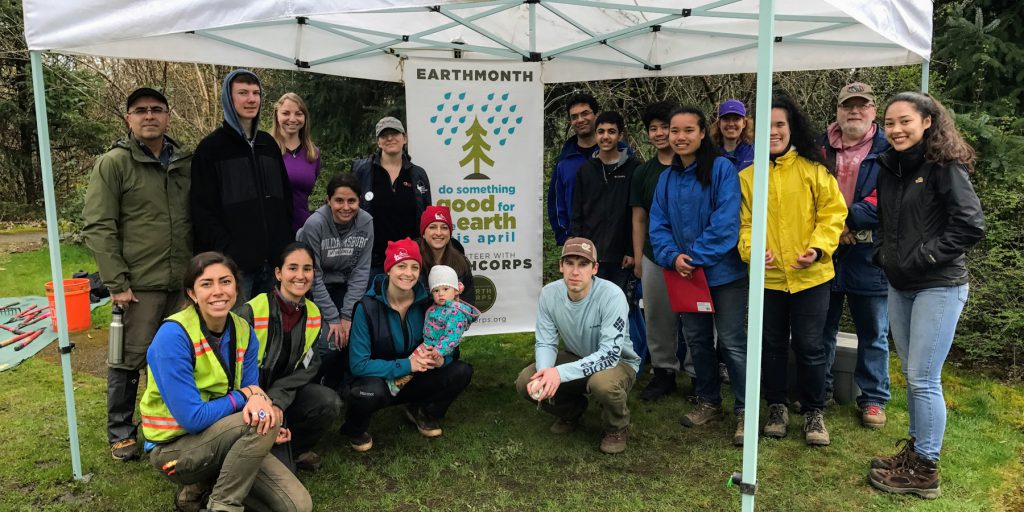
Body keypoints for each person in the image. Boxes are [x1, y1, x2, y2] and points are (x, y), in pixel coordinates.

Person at [867, 92, 985, 499]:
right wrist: (884, 254)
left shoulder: (943, 168)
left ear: (927, 122)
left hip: (940, 284)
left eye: (905, 121)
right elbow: (888, 221)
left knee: (922, 376)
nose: (896, 130)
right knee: (912, 375)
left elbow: (970, 224)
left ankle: (926, 470)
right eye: (889, 123)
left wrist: (926, 255)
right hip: (900, 284)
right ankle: (914, 453)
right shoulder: (889, 169)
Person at [140, 252, 311, 512]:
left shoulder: (244, 330)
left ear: (236, 287)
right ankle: (223, 505)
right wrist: (246, 397)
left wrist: (267, 422)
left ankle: (201, 491)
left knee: (298, 507)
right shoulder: (172, 337)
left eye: (225, 282)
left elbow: (254, 398)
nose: (218, 291)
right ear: (192, 293)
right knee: (258, 422)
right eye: (206, 284)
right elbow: (193, 418)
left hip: (225, 436)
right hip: (174, 448)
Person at [83, 87, 192, 461]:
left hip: (181, 284)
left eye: (157, 110)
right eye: (141, 110)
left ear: (167, 116)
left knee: (174, 358)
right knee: (128, 358)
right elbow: (98, 225)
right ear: (129, 118)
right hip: (138, 285)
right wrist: (117, 283)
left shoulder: (184, 163)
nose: (149, 116)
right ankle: (121, 431)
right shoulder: (114, 163)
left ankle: (165, 426)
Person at [737, 93, 847, 446]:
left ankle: (814, 410)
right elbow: (743, 225)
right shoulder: (747, 177)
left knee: (811, 345)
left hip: (811, 277)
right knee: (771, 345)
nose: (773, 132)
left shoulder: (815, 170)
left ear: (791, 127)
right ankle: (776, 406)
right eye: (765, 125)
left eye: (780, 124)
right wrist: (753, 251)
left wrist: (817, 248)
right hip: (768, 280)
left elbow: (833, 215)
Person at [648, 106, 749, 445]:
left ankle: (744, 410)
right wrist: (672, 257)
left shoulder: (722, 169)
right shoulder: (667, 178)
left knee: (733, 344)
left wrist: (693, 257)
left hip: (724, 275)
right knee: (698, 341)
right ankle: (708, 400)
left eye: (688, 130)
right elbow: (657, 225)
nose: (680, 137)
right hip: (685, 275)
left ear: (703, 133)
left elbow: (726, 223)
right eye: (675, 130)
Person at [340, 238, 474, 452]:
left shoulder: (428, 303)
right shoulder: (367, 308)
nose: (408, 273)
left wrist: (440, 359)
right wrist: (406, 365)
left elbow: (451, 349)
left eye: (414, 267)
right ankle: (355, 428)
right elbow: (358, 364)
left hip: (416, 376)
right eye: (401, 266)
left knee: (461, 371)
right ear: (389, 270)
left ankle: (423, 411)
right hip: (379, 380)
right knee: (366, 393)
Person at [514, 237, 641, 454]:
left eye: (583, 264)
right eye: (570, 263)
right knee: (526, 381)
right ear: (561, 266)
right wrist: (546, 372)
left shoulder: (612, 295)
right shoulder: (549, 294)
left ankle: (616, 427)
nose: (575, 271)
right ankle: (571, 411)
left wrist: (559, 373)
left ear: (595, 268)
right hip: (577, 356)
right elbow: (545, 341)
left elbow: (610, 355)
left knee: (603, 384)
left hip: (618, 362)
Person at [820, 82, 892, 428]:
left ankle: (873, 398)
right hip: (826, 249)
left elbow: (888, 200)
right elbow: (807, 194)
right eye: (848, 105)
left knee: (873, 330)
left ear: (873, 112)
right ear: (837, 111)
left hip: (869, 251)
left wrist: (845, 218)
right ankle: (820, 391)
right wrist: (833, 226)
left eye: (862, 106)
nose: (855, 111)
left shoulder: (889, 149)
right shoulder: (819, 148)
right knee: (822, 326)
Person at [237, 243, 342, 473]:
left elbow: (309, 365)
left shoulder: (314, 313)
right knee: (281, 476)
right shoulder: (251, 311)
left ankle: (294, 449)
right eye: (292, 268)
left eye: (307, 269)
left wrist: (277, 400)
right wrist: (263, 401)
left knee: (329, 402)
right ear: (278, 273)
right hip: (248, 399)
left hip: (283, 396)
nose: (300, 276)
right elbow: (234, 369)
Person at [191, 69, 294, 302]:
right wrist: (228, 250)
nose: (251, 99)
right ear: (229, 98)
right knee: (237, 330)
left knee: (269, 331)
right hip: (236, 267)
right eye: (243, 93)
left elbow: (285, 200)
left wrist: (284, 242)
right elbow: (202, 210)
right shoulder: (211, 149)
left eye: (256, 93)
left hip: (274, 262)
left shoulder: (269, 145)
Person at [630, 100, 694, 401]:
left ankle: (698, 375)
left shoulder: (699, 168)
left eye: (664, 128)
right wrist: (640, 257)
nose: (659, 134)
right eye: (652, 129)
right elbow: (639, 217)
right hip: (655, 257)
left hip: (695, 258)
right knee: (657, 318)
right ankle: (663, 373)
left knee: (697, 318)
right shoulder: (644, 173)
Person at [297, 174, 373, 389]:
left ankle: (342, 384)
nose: (345, 207)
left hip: (345, 285)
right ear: (328, 200)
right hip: (312, 288)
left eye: (352, 201)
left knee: (356, 334)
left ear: (359, 201)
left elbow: (361, 270)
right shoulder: (315, 224)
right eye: (339, 200)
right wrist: (333, 318)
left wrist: (348, 315)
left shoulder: (366, 222)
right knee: (330, 342)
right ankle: (308, 383)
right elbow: (312, 274)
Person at [352, 116, 431, 280]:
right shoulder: (362, 171)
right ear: (378, 142)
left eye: (394, 133)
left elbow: (426, 218)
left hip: (409, 260)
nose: (389, 138)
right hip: (372, 262)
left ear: (405, 138)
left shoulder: (418, 174)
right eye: (384, 134)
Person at [570, 111, 642, 291]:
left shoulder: (634, 168)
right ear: (596, 135)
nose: (606, 136)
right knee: (591, 307)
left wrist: (631, 251)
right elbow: (577, 213)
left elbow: (636, 215)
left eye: (611, 131)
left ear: (620, 135)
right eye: (601, 131)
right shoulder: (585, 170)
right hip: (591, 255)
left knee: (620, 307)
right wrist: (581, 251)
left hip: (622, 258)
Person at [388, 265, 480, 395]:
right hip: (427, 344)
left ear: (456, 291)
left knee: (417, 364)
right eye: (436, 291)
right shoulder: (438, 306)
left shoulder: (455, 313)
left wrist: (439, 350)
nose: (441, 294)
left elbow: (452, 336)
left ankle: (396, 385)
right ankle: (396, 382)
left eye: (445, 289)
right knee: (412, 361)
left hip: (436, 348)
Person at [547, 93, 600, 246]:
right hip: (577, 242)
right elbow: (556, 202)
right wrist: (565, 237)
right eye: (574, 116)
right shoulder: (564, 160)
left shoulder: (618, 152)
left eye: (585, 113)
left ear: (596, 115)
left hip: (614, 244)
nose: (580, 120)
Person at [272, 92, 322, 233]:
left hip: (303, 229)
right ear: (277, 115)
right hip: (272, 229)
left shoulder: (314, 154)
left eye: (298, 114)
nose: (292, 119)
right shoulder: (266, 150)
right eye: (286, 113)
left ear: (305, 117)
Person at [417, 205, 475, 305]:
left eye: (444, 228)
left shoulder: (461, 262)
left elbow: (469, 304)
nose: (439, 233)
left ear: (449, 233)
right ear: (423, 233)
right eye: (432, 227)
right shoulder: (412, 261)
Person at [710, 99, 755, 171]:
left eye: (736, 119)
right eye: (726, 119)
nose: (731, 124)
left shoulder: (755, 152)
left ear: (744, 123)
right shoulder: (710, 155)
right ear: (719, 124)